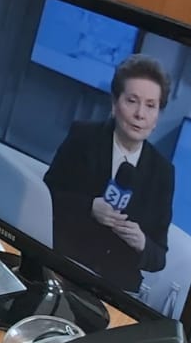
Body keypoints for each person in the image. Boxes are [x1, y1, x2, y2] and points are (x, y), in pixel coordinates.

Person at [44, 54, 174, 295]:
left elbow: (159, 257)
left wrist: (142, 242)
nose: (140, 114)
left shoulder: (163, 172)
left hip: (118, 289)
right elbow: (45, 196)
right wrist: (89, 207)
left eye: (150, 105)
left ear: (157, 116)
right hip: (65, 268)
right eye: (132, 101)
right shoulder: (83, 137)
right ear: (114, 104)